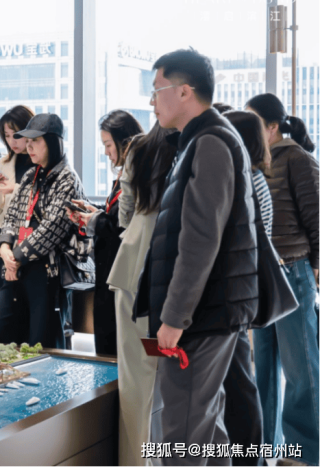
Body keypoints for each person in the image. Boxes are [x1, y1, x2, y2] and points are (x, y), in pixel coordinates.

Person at [139, 49, 260, 466]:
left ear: (184, 91)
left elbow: (200, 241)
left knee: (181, 433)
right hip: (212, 310)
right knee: (205, 431)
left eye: (157, 89)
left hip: (203, 314)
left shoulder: (209, 142)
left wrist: (175, 317)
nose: (151, 101)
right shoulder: (202, 139)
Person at [246, 92, 320, 467]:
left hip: (294, 270)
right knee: (264, 371)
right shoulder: (255, 162)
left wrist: (316, 267)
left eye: (253, 121)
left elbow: (316, 217)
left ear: (272, 127)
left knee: (301, 370)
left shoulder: (296, 159)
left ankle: (305, 455)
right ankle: (265, 450)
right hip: (264, 275)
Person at [0, 113, 86, 350]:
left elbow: (51, 229)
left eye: (35, 141)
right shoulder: (31, 175)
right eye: (27, 141)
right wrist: (4, 247)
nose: (28, 147)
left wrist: (14, 259)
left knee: (42, 345)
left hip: (47, 273)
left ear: (53, 142)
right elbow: (12, 216)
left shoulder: (68, 179)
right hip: (17, 268)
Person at [105, 122, 176, 467]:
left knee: (135, 378)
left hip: (136, 261)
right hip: (180, 266)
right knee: (178, 380)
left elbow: (126, 212)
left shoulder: (139, 147)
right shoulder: (200, 143)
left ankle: (135, 461)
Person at [222, 109, 273, 467]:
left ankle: (250, 459)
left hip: (237, 291)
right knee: (241, 381)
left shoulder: (248, 181)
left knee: (240, 384)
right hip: (243, 289)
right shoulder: (255, 177)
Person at [72, 110, 143, 356]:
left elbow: (123, 226)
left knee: (114, 342)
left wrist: (94, 219)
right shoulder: (124, 174)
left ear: (125, 142)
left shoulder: (137, 176)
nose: (106, 152)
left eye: (108, 145)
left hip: (121, 269)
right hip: (108, 267)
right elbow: (115, 215)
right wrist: (94, 211)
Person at [0, 105, 35, 310]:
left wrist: (15, 189)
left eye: (17, 135)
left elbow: (46, 200)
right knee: (0, 302)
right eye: (7, 136)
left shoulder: (43, 163)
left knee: (26, 303)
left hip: (32, 240)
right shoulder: (3, 163)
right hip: (3, 239)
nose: (12, 141)